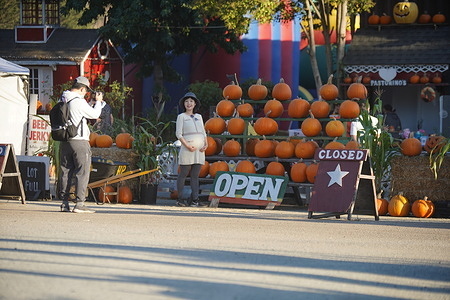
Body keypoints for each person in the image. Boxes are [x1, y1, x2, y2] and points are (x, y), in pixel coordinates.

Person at [59, 76, 104, 213]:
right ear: (82, 88)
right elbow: (94, 114)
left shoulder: (63, 98)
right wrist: (98, 102)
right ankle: (79, 203)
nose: (86, 94)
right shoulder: (78, 101)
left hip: (65, 140)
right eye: (86, 91)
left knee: (66, 171)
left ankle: (64, 203)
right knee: (82, 171)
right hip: (79, 141)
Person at [175, 92, 208, 207]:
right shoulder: (181, 117)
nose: (189, 103)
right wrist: (187, 145)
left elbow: (203, 133)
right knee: (183, 173)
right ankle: (180, 199)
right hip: (187, 149)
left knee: (195, 175)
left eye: (191, 101)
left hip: (199, 150)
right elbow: (178, 134)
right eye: (186, 101)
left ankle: (195, 200)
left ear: (195, 104)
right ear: (184, 104)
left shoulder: (199, 117)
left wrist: (206, 144)